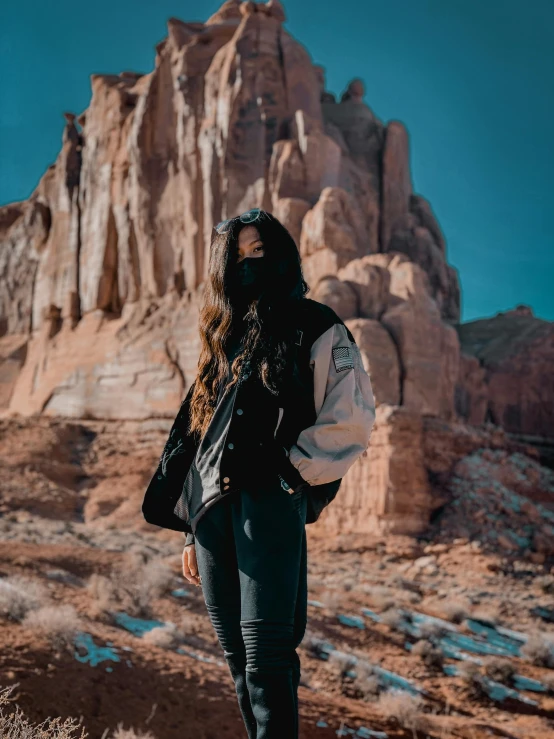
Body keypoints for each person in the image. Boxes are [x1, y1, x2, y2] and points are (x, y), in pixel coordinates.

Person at [142, 208, 376, 738]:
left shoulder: (316, 324)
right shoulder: (220, 339)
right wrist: (185, 529)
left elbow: (351, 417)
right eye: (238, 253)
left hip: (267, 508)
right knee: (237, 661)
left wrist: (289, 477)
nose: (249, 262)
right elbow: (199, 431)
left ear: (281, 253)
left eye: (259, 250)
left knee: (268, 657)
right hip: (207, 514)